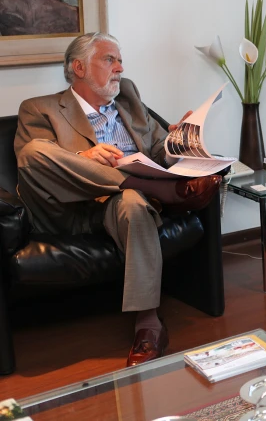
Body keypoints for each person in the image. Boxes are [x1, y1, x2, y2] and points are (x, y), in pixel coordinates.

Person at [14, 32, 222, 366]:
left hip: (119, 204)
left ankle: (149, 325)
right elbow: (35, 167)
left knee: (134, 203)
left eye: (120, 60)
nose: (120, 68)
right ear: (79, 67)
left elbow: (157, 153)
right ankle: (156, 190)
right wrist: (85, 155)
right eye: (110, 59)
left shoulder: (129, 101)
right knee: (34, 151)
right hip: (66, 208)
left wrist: (177, 140)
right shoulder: (40, 109)